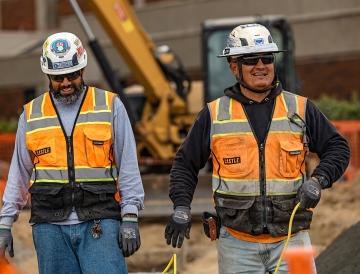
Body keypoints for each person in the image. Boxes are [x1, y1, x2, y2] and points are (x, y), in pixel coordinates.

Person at [164, 23, 350, 273]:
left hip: (292, 239)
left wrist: (318, 180)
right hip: (237, 245)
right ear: (233, 66)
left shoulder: (301, 109)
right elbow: (185, 164)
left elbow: (338, 147)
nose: (261, 66)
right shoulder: (214, 115)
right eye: (251, 59)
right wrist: (181, 207)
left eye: (267, 58)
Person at [0, 32, 144, 274]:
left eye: (72, 75)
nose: (66, 83)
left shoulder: (110, 106)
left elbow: (128, 164)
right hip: (49, 226)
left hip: (100, 220)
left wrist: (130, 216)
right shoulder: (32, 113)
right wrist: (5, 223)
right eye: (58, 77)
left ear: (82, 69)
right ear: (47, 74)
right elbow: (19, 172)